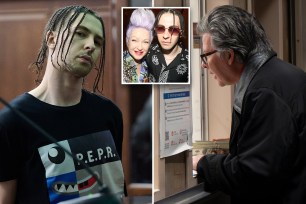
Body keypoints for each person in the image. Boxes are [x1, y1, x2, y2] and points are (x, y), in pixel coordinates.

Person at [0, 5, 125, 204]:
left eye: (98, 41)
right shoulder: (12, 121)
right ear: (51, 39)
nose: (90, 45)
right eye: (80, 33)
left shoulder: (109, 114)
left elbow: (115, 191)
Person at [193, 5, 306, 204]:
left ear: (228, 55)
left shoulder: (264, 93)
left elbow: (254, 174)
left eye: (205, 56)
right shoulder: (282, 75)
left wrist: (204, 164)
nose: (203, 65)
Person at [146, 9, 189, 83]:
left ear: (181, 33)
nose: (165, 36)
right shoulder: (147, 51)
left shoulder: (190, 61)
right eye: (160, 28)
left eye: (174, 30)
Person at [123, 8, 155, 83]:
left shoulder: (151, 66)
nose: (140, 47)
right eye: (134, 40)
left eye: (145, 42)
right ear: (127, 41)